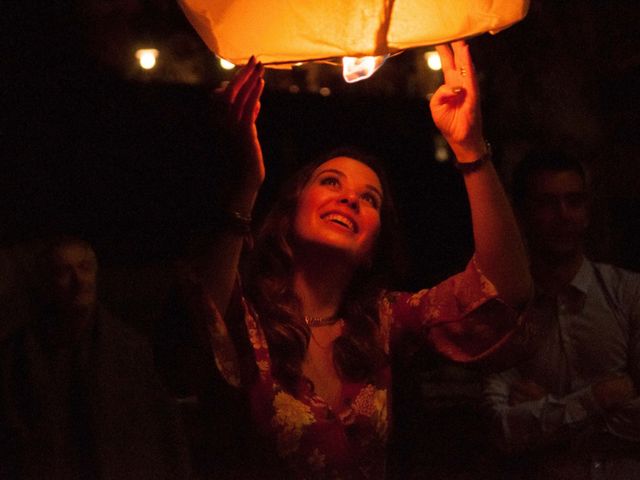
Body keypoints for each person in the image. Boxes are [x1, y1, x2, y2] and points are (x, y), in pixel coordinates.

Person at [183, 41, 532, 479]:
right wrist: (245, 185)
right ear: (290, 212)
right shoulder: (246, 320)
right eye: (331, 182)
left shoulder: (385, 322)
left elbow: (504, 292)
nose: (349, 198)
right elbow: (200, 328)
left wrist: (470, 148)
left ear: (373, 247)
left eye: (370, 199)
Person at [482, 150, 640, 479]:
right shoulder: (503, 310)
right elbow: (501, 430)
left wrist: (550, 408)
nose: (563, 215)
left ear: (587, 211)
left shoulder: (629, 294)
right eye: (546, 203)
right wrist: (597, 398)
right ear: (521, 214)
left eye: (574, 201)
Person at [0, 235, 190, 479]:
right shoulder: (16, 361)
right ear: (46, 284)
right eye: (64, 272)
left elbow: (163, 433)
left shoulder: (130, 350)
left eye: (85, 268)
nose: (78, 280)